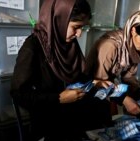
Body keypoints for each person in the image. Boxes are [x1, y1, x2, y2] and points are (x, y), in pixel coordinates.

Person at [10, 0, 111, 140]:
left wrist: (93, 82)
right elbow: (19, 94)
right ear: (58, 20)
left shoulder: (69, 44)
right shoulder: (32, 48)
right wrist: (58, 99)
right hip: (49, 122)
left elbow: (76, 77)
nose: (79, 34)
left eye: (82, 28)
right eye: (76, 27)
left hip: (74, 117)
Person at [86, 11, 140, 116]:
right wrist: (124, 99)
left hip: (108, 90)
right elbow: (100, 83)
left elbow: (128, 78)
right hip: (89, 92)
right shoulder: (110, 46)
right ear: (133, 31)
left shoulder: (134, 48)